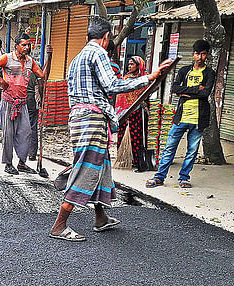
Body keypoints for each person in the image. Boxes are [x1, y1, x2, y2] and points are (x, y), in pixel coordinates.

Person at [49, 17, 171, 241]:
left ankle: (100, 217)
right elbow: (113, 85)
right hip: (91, 119)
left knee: (101, 166)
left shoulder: (77, 59)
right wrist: (149, 77)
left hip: (79, 117)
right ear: (106, 37)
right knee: (87, 168)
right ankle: (59, 224)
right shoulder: (98, 53)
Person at [146, 39, 216, 189]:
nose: (200, 57)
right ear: (193, 54)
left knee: (192, 151)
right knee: (169, 148)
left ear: (207, 55)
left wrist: (187, 92)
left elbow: (206, 93)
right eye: (197, 54)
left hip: (198, 118)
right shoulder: (184, 71)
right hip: (181, 117)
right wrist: (197, 89)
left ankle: (184, 178)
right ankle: (159, 177)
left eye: (203, 54)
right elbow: (175, 89)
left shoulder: (210, 73)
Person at [0, 33, 52, 175]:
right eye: (24, 45)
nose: (27, 47)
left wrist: (49, 57)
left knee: (26, 133)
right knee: (8, 134)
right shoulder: (7, 58)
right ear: (17, 46)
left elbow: (42, 76)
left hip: (23, 103)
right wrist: (1, 81)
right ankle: (8, 164)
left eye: (28, 45)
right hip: (8, 102)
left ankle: (22, 163)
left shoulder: (30, 62)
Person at [116, 56, 154, 172]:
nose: (129, 66)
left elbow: (151, 88)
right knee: (123, 134)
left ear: (139, 65)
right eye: (129, 64)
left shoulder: (145, 77)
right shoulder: (126, 78)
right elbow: (121, 93)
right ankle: (126, 158)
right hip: (125, 112)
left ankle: (139, 161)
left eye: (132, 64)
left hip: (139, 111)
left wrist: (142, 99)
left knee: (138, 136)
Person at [27, 72, 41, 161]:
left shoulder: (15, 65)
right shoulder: (35, 66)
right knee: (32, 126)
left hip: (21, 97)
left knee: (21, 126)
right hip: (31, 98)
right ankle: (32, 153)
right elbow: (41, 83)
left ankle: (26, 152)